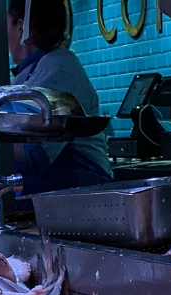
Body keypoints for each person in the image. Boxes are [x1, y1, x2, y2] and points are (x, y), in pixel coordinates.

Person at [7, 0, 112, 194]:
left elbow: (36, 153)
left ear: (21, 27)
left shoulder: (59, 69)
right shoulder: (31, 71)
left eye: (8, 25)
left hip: (83, 190)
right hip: (57, 188)